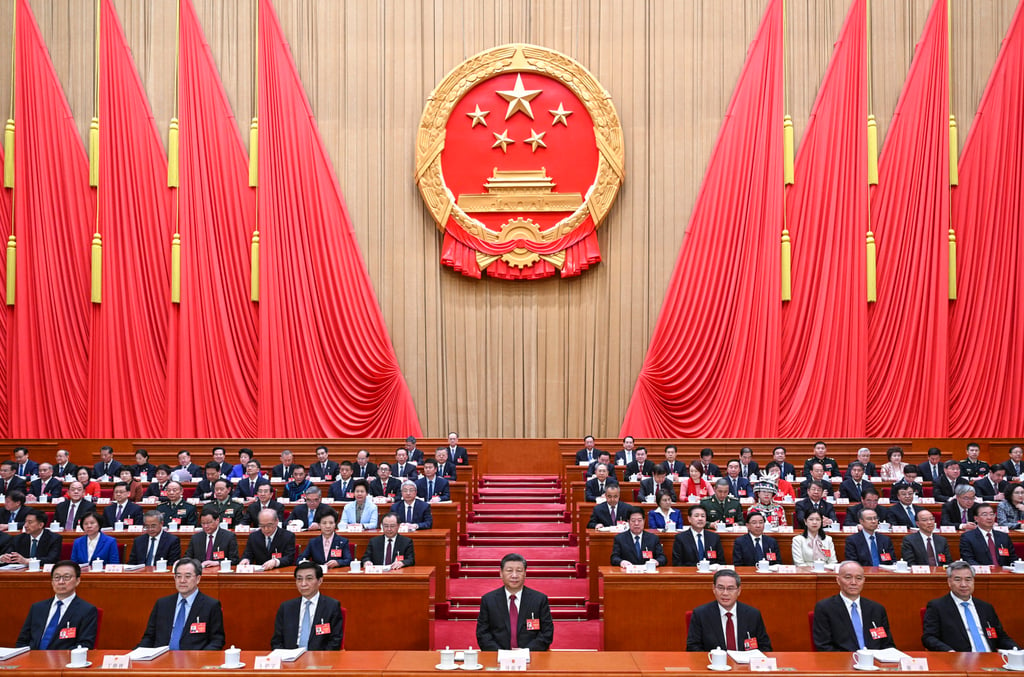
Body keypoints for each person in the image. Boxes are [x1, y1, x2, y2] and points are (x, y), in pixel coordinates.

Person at [922, 560, 1017, 651]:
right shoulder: (937, 607)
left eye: (968, 579)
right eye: (958, 580)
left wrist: (1016, 650)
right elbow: (929, 638)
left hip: (991, 660)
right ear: (949, 582)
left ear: (973, 581)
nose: (963, 584)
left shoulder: (986, 607)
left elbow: (1000, 637)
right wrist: (949, 652)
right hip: (958, 661)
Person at [137, 558, 225, 650]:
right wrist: (135, 655)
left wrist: (201, 659)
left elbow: (217, 640)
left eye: (187, 576)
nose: (182, 580)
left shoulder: (211, 605)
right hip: (162, 659)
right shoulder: (162, 604)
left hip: (194, 660)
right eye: (178, 576)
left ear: (198, 579)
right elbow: (149, 637)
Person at [476, 553, 554, 651]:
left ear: (525, 573)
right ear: (501, 573)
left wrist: (526, 652)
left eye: (519, 571)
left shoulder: (539, 599)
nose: (514, 575)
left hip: (531, 656)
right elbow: (483, 634)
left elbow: (547, 633)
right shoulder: (488, 600)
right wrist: (501, 653)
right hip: (497, 657)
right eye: (509, 571)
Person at [16, 560, 99, 649]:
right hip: (32, 659)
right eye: (57, 577)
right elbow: (22, 641)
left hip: (64, 661)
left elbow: (85, 645)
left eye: (66, 577)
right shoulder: (37, 608)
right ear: (52, 581)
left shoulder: (87, 610)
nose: (61, 582)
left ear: (77, 581)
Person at [813, 561, 895, 651]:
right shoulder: (825, 608)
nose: (853, 582)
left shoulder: (877, 609)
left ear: (864, 580)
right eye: (848, 577)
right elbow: (823, 646)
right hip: (842, 662)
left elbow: (887, 645)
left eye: (859, 578)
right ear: (838, 580)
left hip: (874, 662)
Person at [686, 569, 772, 651]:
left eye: (730, 588)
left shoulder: (753, 615)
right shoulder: (700, 614)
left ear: (738, 591)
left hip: (745, 665)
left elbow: (765, 647)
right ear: (713, 589)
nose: (725, 593)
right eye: (720, 588)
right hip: (713, 664)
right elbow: (693, 648)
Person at [271, 561, 345, 650]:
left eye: (309, 579)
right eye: (299, 579)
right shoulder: (286, 607)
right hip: (290, 658)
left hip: (320, 658)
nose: (303, 584)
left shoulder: (331, 606)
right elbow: (277, 641)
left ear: (320, 581)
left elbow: (335, 641)